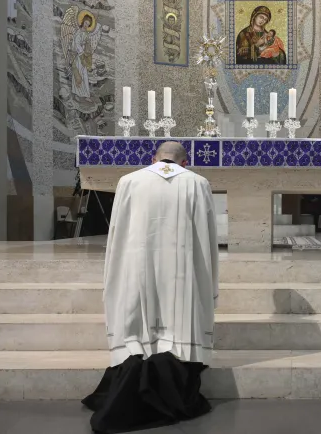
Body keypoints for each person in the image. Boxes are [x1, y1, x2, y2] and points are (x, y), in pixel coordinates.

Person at [83, 141, 218, 433]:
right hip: (183, 275)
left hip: (138, 269)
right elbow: (207, 238)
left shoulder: (129, 181)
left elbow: (117, 233)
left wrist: (114, 277)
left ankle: (136, 362)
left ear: (153, 158)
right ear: (185, 162)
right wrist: (209, 282)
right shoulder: (198, 183)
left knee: (138, 316)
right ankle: (175, 377)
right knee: (178, 318)